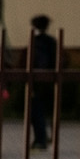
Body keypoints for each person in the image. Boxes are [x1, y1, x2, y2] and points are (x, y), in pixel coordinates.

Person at [29, 14, 58, 151]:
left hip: (38, 81)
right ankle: (47, 137)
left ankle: (40, 140)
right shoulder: (52, 41)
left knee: (36, 111)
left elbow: (33, 61)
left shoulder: (35, 42)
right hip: (52, 80)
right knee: (50, 111)